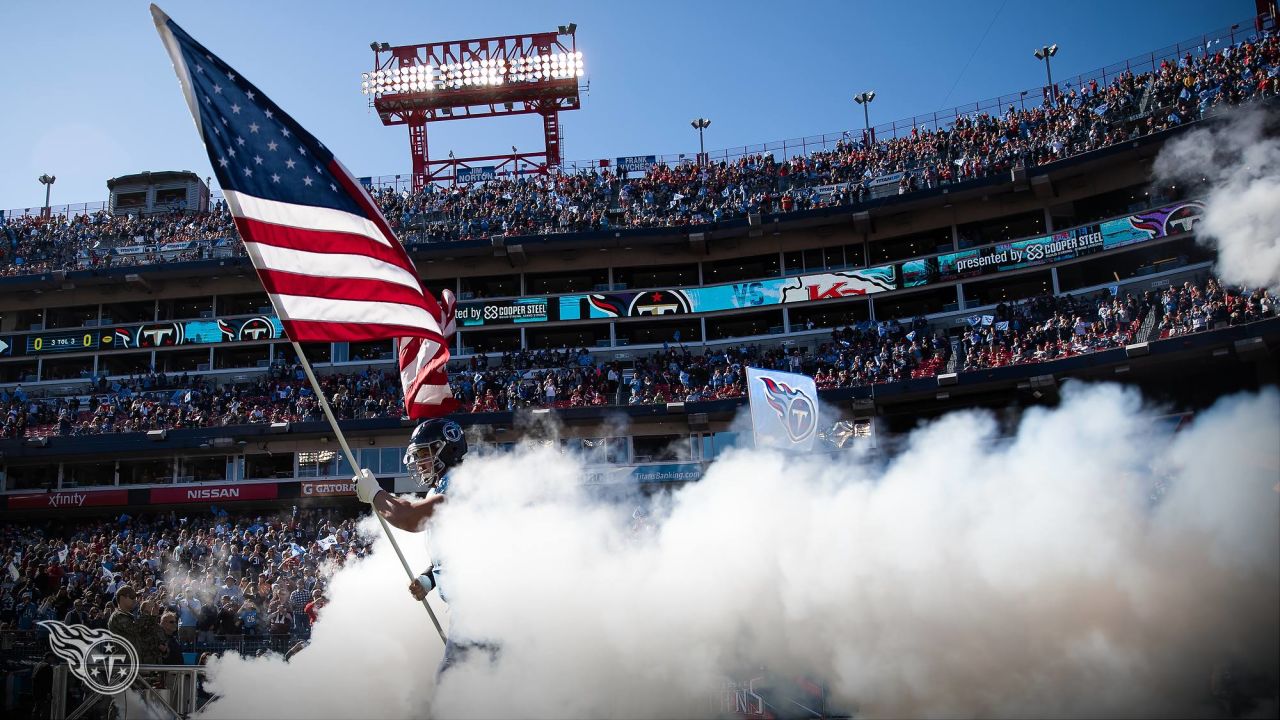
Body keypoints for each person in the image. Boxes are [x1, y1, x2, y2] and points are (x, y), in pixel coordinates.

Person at [353, 418, 494, 673]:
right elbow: (455, 555)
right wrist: (429, 579)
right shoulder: (441, 487)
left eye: (424, 453)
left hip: (483, 608)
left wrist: (376, 495)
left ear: (447, 448)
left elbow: (412, 519)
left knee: (453, 690)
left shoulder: (464, 483)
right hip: (474, 607)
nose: (419, 462)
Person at [107, 586, 165, 665]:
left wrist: (153, 615)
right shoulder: (117, 616)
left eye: (135, 597)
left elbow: (143, 631)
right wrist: (147, 612)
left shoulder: (128, 616)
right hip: (125, 663)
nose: (135, 600)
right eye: (132, 597)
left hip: (134, 662)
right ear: (122, 598)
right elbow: (135, 629)